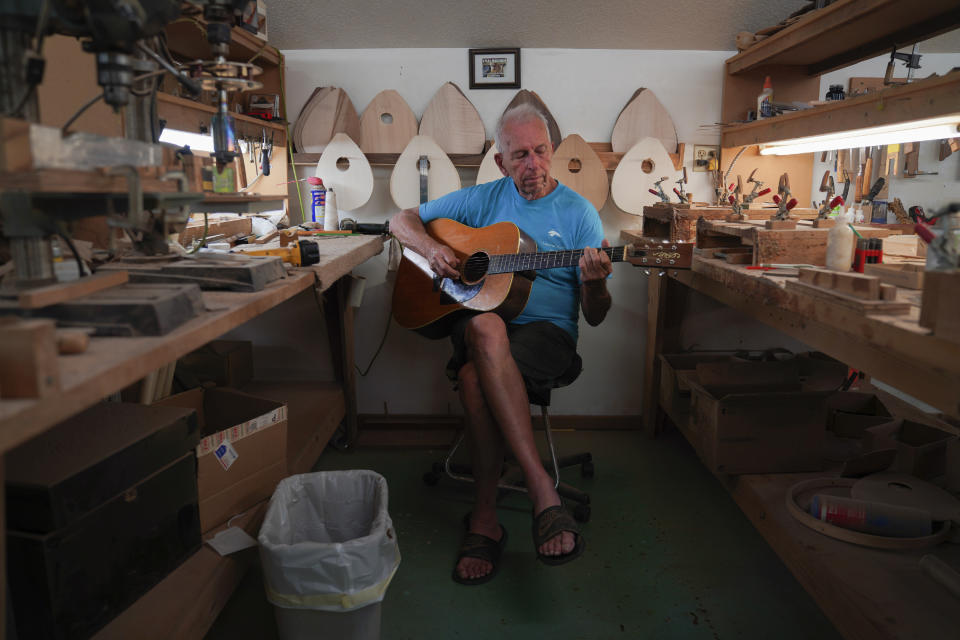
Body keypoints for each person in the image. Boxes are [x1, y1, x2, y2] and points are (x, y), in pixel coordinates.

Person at [389, 104, 613, 585]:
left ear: (550, 149)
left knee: (474, 377)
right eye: (519, 156)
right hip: (481, 324)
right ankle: (542, 494)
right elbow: (400, 220)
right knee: (487, 325)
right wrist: (432, 249)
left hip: (549, 338)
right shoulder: (482, 201)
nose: (532, 165)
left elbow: (595, 316)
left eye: (539, 151)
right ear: (500, 162)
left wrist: (595, 284)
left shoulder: (580, 214)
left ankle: (485, 520)